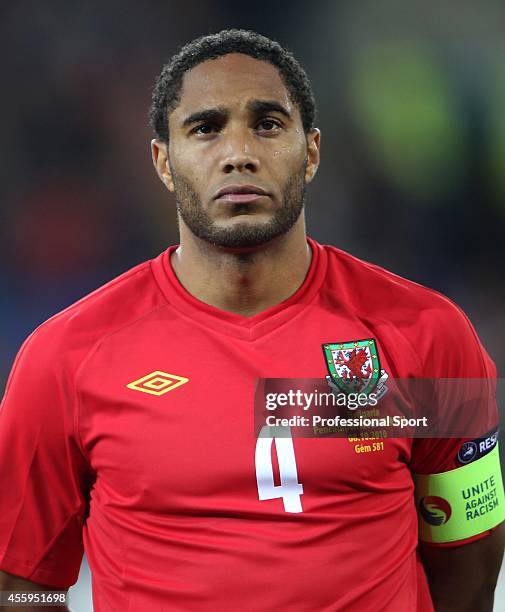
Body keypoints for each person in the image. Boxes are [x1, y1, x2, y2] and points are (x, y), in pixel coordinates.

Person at [0, 29, 503, 612]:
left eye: (267, 123)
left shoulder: (430, 333)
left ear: (310, 151)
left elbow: (471, 550)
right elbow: (24, 583)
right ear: (163, 160)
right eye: (206, 127)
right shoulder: (64, 357)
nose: (238, 151)